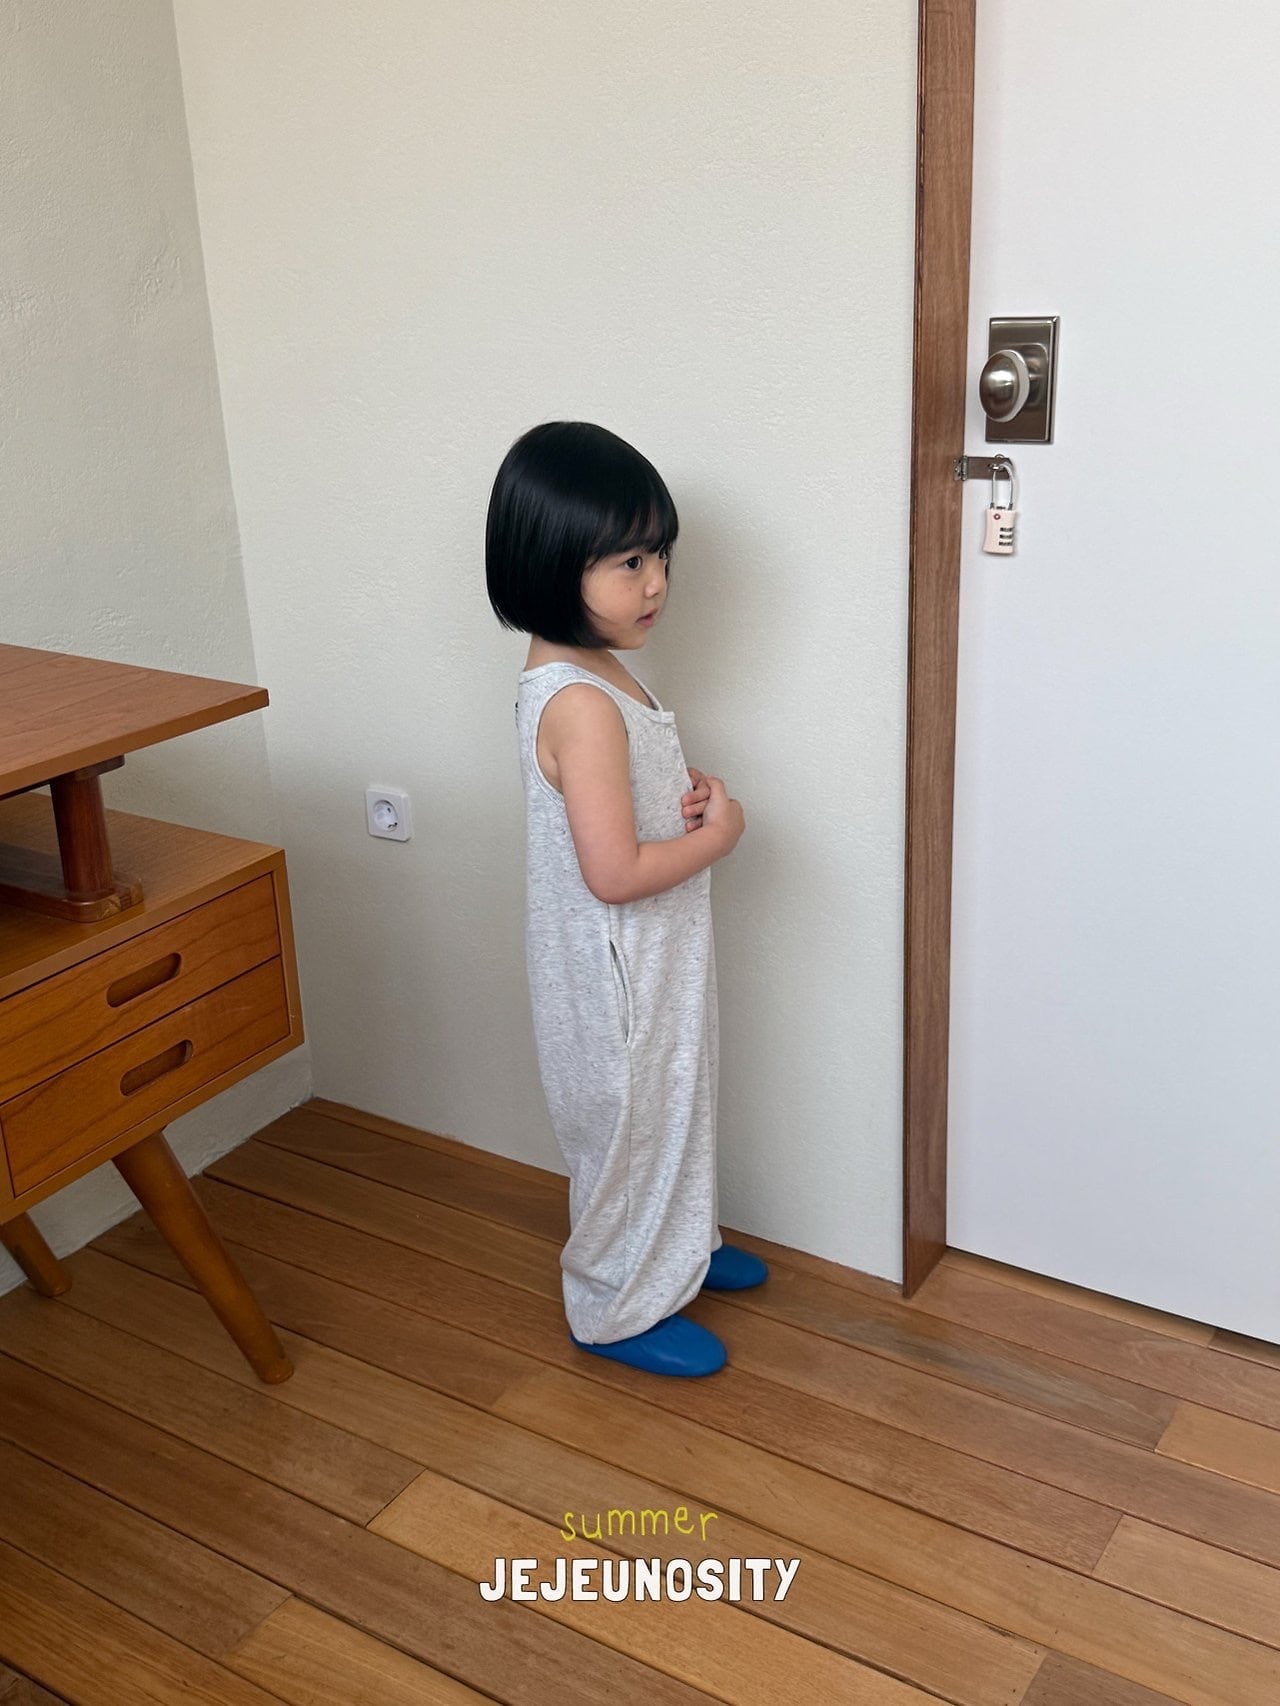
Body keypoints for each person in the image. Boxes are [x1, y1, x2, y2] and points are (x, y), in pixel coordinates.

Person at [487, 420, 768, 1378]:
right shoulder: (578, 702)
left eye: (661, 557)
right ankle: (612, 1305)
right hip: (619, 970)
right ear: (548, 561)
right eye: (629, 562)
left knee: (675, 1103)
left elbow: (621, 807)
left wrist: (682, 798)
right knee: (630, 1131)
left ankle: (679, 1245)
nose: (656, 585)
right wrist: (720, 836)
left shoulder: (594, 670)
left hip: (652, 950)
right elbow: (610, 873)